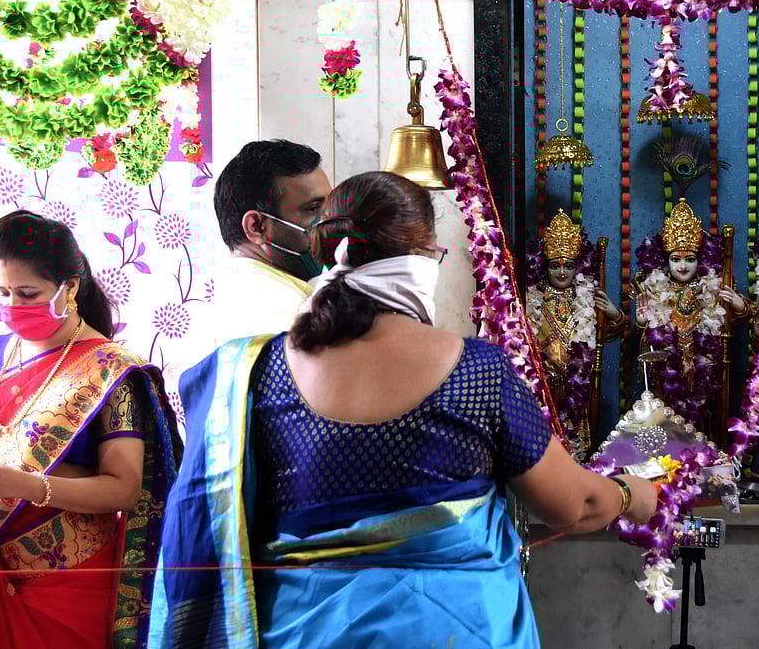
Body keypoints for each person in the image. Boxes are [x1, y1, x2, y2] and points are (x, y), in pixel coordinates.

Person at [149, 171, 657, 648]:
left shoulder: (256, 373)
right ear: (422, 256)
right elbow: (572, 505)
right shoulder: (475, 371)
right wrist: (632, 494)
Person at [0, 211, 183, 648]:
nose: (12, 306)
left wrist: (23, 484)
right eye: (2, 292)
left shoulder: (111, 372)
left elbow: (124, 490)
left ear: (69, 288)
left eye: (27, 294)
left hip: (68, 584)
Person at [209, 139, 333, 347]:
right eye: (312, 209)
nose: (331, 220)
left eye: (331, 205)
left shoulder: (241, 289)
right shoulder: (278, 312)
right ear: (256, 227)